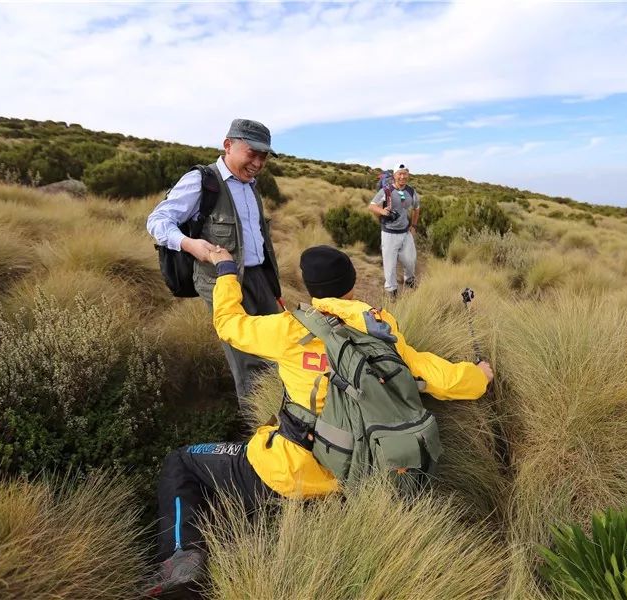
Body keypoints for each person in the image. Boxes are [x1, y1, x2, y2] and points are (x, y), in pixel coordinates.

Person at [145, 245, 494, 597]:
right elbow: (435, 375)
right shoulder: (381, 327)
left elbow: (228, 325)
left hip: (286, 473)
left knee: (183, 463)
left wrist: (225, 271)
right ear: (353, 283)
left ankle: (182, 564)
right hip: (358, 480)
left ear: (309, 286)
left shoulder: (289, 328)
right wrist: (479, 375)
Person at [146, 118, 282, 412]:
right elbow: (157, 221)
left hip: (260, 280)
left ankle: (285, 415)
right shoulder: (202, 180)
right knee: (247, 361)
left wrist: (274, 286)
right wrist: (190, 244)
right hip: (224, 284)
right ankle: (259, 426)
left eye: (264, 156)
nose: (258, 162)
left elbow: (259, 240)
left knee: (279, 348)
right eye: (252, 153)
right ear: (228, 145)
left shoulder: (251, 185)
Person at [368, 163, 420, 298]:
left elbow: (416, 208)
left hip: (405, 233)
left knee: (410, 261)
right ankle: (392, 291)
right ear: (394, 176)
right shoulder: (386, 191)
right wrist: (383, 211)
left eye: (405, 174)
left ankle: (409, 280)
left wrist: (413, 226)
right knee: (390, 266)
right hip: (389, 234)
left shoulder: (411, 192)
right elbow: (372, 206)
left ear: (408, 175)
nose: (402, 176)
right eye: (399, 174)